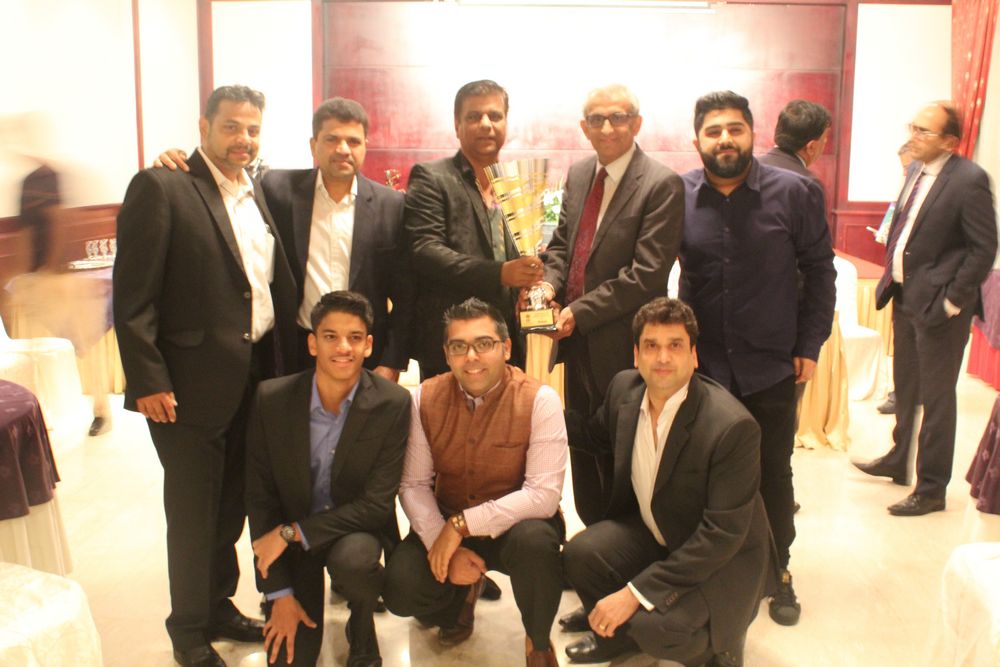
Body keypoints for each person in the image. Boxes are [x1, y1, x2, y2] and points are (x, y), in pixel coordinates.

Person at [114, 85, 298, 667]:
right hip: (186, 385)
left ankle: (218, 605)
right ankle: (189, 631)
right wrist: (148, 379)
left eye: (253, 129)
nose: (244, 139)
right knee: (194, 512)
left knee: (229, 507)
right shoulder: (162, 186)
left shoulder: (253, 189)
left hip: (252, 376)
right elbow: (133, 296)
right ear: (203, 127)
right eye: (231, 127)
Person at [679, 91, 835, 627]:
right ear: (697, 141)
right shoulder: (678, 195)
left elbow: (820, 272)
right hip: (703, 369)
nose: (725, 139)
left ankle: (778, 569)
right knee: (702, 474)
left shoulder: (796, 192)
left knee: (772, 472)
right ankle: (709, 568)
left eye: (735, 128)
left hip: (771, 365)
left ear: (752, 133)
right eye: (713, 131)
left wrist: (809, 345)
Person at [537, 83, 684, 631]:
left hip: (624, 349)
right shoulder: (580, 174)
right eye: (595, 119)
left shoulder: (661, 184)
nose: (606, 128)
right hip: (576, 346)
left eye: (618, 118)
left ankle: (627, 581)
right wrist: (548, 287)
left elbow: (646, 274)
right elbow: (561, 245)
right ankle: (593, 561)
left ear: (637, 123)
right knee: (584, 449)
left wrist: (578, 311)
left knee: (624, 465)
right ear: (583, 127)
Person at [562, 298, 774, 666]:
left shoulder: (732, 427)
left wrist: (634, 593)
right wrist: (539, 408)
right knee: (581, 554)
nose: (662, 357)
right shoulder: (624, 390)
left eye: (675, 345)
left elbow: (720, 537)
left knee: (657, 629)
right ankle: (616, 640)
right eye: (651, 346)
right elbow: (594, 436)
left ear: (694, 355)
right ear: (636, 355)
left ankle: (718, 646)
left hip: (721, 560)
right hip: (661, 533)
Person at [155, 97, 414, 380]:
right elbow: (223, 179)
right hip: (297, 350)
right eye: (331, 139)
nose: (343, 149)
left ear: (365, 145)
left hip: (363, 351)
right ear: (313, 145)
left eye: (353, 141)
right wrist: (179, 160)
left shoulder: (391, 205)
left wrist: (392, 361)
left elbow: (405, 293)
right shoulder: (277, 189)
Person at [383, 297, 567, 667]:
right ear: (446, 354)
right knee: (401, 588)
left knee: (536, 545)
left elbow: (543, 496)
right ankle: (460, 598)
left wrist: (462, 525)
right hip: (448, 519)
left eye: (484, 344)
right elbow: (413, 484)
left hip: (516, 527)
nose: (471, 357)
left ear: (506, 348)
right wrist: (441, 541)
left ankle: (537, 638)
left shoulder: (540, 400)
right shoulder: (424, 398)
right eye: (459, 346)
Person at [245, 291, 411, 667]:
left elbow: (376, 505)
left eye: (355, 337)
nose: (343, 348)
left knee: (356, 563)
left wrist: (292, 532)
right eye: (330, 336)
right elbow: (260, 498)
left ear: (369, 345)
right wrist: (278, 594)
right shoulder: (272, 399)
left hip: (354, 532)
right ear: (312, 343)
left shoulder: (392, 403)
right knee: (290, 659)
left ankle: (362, 622)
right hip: (295, 539)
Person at [853, 102, 998, 516]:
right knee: (906, 388)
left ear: (949, 141)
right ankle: (898, 458)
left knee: (936, 400)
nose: (913, 136)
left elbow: (984, 247)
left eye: (924, 131)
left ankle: (932, 487)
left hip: (940, 308)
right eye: (913, 127)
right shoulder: (916, 170)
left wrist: (953, 301)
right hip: (905, 296)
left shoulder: (969, 179)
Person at [404, 80, 544, 380]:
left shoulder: (515, 186)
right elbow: (426, 251)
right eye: (473, 116)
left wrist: (529, 285)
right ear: (457, 125)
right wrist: (500, 274)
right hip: (452, 345)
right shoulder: (432, 177)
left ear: (506, 122)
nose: (486, 124)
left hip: (505, 343)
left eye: (495, 116)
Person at [873, 142, 915, 416]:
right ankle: (901, 394)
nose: (905, 173)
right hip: (900, 284)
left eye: (908, 167)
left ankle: (909, 394)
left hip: (924, 287)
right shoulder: (904, 192)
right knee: (902, 347)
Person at [757, 99, 831, 184]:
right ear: (811, 147)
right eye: (825, 137)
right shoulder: (807, 183)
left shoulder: (749, 169)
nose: (826, 141)